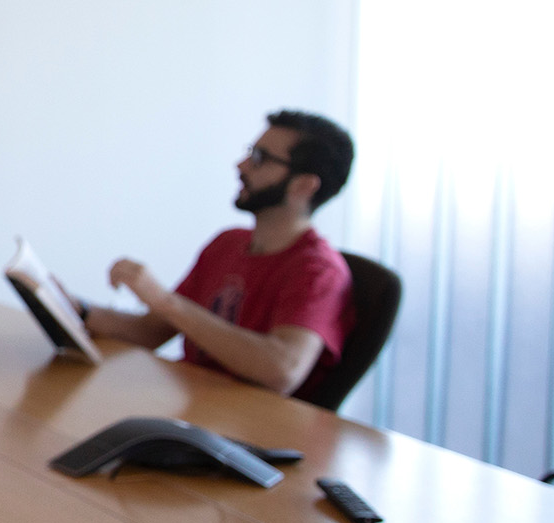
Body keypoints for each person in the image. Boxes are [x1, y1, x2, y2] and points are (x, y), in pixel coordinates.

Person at [84, 110, 358, 397]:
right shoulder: (226, 244)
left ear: (304, 185)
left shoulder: (318, 272)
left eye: (259, 159)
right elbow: (150, 332)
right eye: (249, 153)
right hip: (191, 411)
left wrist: (166, 301)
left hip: (245, 432)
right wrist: (75, 308)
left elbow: (282, 370)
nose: (240, 166)